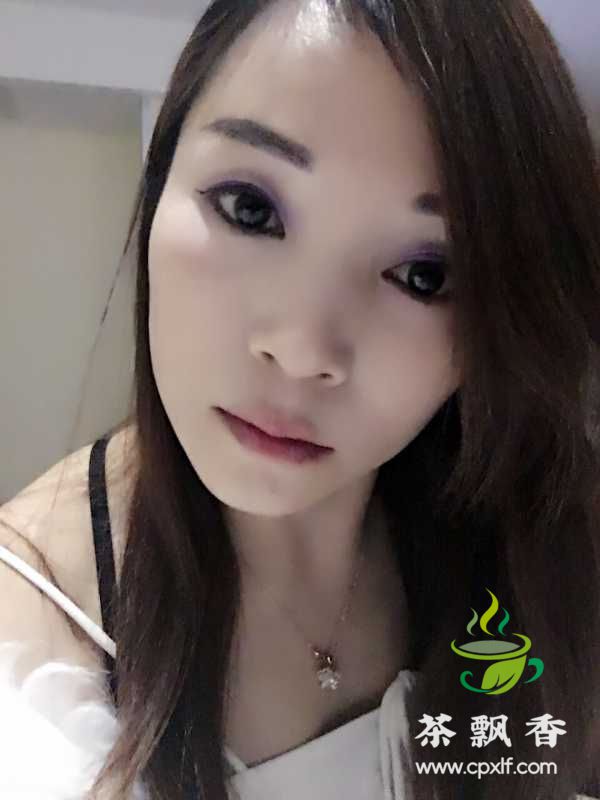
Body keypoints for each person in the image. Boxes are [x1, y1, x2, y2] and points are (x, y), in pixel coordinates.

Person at [1, 0, 599, 798]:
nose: (303, 350)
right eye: (251, 209)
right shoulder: (30, 668)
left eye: (425, 275)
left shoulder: (534, 541)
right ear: (163, 172)